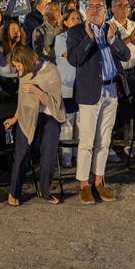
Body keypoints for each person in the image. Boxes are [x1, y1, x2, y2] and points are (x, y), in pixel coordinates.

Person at [66, 0, 130, 204]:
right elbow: (74, 59)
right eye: (90, 7)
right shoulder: (76, 32)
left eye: (98, 7)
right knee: (87, 140)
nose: (94, 10)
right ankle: (84, 184)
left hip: (111, 90)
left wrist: (111, 39)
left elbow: (126, 55)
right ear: (85, 10)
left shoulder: (112, 29)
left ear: (105, 10)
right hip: (90, 92)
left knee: (104, 139)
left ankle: (99, 181)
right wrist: (89, 38)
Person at [3, 45, 65, 205]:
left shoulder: (51, 71)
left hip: (50, 116)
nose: (18, 69)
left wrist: (36, 91)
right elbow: (22, 99)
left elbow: (54, 103)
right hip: (28, 115)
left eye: (18, 65)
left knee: (49, 157)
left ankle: (45, 191)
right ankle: (13, 193)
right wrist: (15, 118)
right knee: (21, 154)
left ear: (26, 61)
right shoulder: (24, 72)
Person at [109, 0, 135, 160]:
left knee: (128, 109)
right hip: (115, 74)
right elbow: (114, 48)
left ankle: (128, 145)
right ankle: (109, 147)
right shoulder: (109, 26)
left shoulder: (133, 25)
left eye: (127, 5)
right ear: (112, 9)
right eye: (120, 5)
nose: (125, 8)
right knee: (111, 111)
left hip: (131, 73)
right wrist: (132, 36)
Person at [55, 9, 83, 167]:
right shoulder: (61, 38)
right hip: (67, 85)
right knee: (68, 122)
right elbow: (71, 56)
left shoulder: (85, 37)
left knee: (81, 123)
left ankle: (79, 156)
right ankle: (66, 158)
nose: (76, 20)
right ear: (65, 22)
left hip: (83, 86)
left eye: (79, 18)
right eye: (73, 18)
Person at [0, 22, 24, 102]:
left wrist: (22, 85)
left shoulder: (22, 49)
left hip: (19, 87)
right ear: (6, 33)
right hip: (3, 87)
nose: (17, 32)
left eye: (18, 30)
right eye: (13, 30)